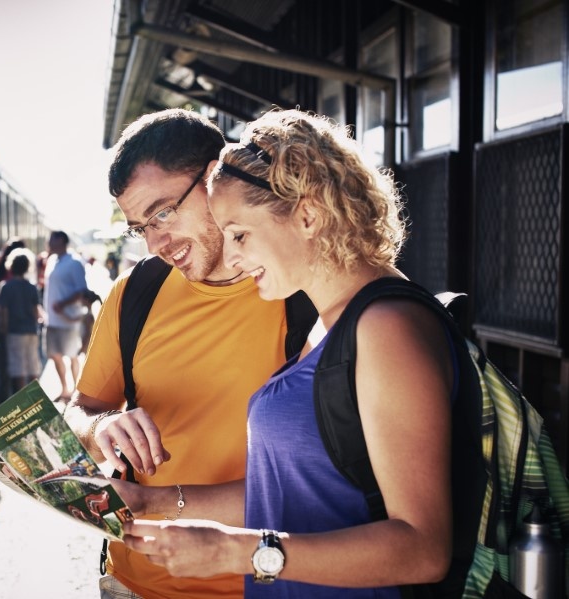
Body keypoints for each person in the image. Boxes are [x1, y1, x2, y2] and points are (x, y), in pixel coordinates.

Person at [119, 109, 459, 598]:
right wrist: (152, 501)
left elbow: (423, 549)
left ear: (307, 214)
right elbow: (287, 490)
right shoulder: (328, 323)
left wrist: (235, 552)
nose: (232, 258)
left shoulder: (387, 328)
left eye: (239, 234)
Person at [63, 108, 289, 599]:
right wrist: (100, 428)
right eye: (141, 227)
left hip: (263, 585)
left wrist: (158, 500)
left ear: (214, 178)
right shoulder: (135, 292)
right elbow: (80, 410)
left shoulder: (299, 292)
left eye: (164, 212)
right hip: (133, 582)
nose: (157, 242)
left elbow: (326, 482)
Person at [42, 231, 90, 401]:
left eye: (51, 240)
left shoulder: (74, 262)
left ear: (61, 241)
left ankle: (77, 391)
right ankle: (65, 390)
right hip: (52, 320)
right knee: (54, 355)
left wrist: (63, 304)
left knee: (72, 356)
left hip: (69, 319)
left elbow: (81, 290)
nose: (48, 243)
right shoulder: (52, 261)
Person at [0, 247, 43, 395]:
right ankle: (36, 398)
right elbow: (36, 310)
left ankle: (23, 401)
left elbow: (3, 311)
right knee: (32, 366)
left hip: (14, 332)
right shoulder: (32, 287)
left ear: (11, 266)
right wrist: (38, 322)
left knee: (18, 368)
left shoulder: (6, 287)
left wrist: (3, 328)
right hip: (31, 331)